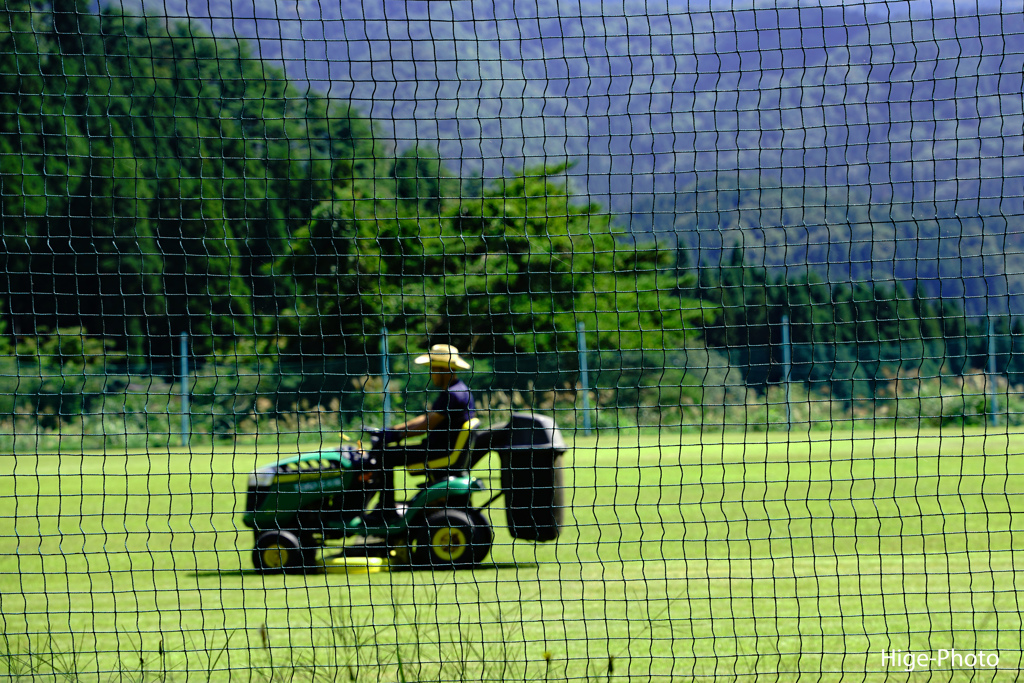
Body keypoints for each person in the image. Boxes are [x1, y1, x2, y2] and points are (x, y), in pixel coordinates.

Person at [362, 344, 476, 526]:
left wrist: (394, 435)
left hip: (437, 451)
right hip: (442, 448)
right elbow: (428, 418)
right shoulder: (460, 390)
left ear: (443, 369)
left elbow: (426, 425)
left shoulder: (451, 395)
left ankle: (386, 510)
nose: (431, 374)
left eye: (433, 369)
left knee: (384, 456)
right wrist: (393, 431)